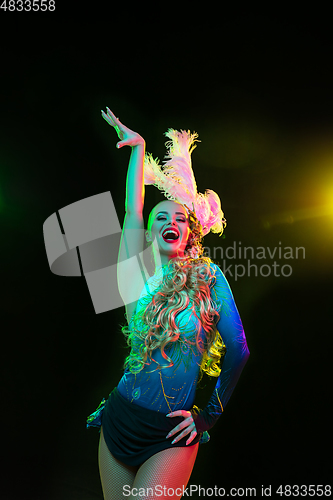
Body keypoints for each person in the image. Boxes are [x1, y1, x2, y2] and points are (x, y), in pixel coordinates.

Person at [87, 108, 250, 500]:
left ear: (189, 234)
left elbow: (239, 350)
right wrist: (139, 148)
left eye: (179, 216)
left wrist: (208, 415)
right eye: (162, 215)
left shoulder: (209, 277)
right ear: (151, 229)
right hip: (120, 419)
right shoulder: (134, 274)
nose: (170, 220)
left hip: (170, 432)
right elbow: (131, 209)